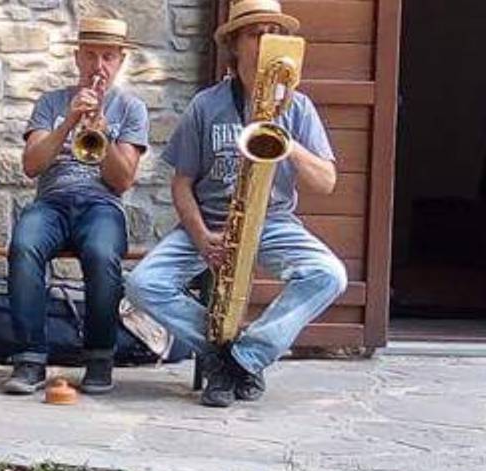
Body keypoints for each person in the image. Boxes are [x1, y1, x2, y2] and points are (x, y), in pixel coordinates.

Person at [124, 0, 347, 408]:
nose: (265, 41)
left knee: (329, 274)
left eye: (272, 33)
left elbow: (326, 181)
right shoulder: (205, 105)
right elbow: (181, 184)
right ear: (234, 44)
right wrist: (202, 236)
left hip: (272, 221)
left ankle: (245, 357)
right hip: (211, 223)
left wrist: (287, 143)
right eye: (254, 33)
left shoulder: (297, 107)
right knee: (142, 285)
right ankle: (221, 351)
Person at [3, 16, 149, 396]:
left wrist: (101, 134)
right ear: (77, 58)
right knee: (23, 246)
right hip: (51, 202)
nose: (98, 67)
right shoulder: (51, 102)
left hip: (101, 205)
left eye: (107, 57)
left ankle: (100, 356)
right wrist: (68, 121)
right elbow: (32, 165)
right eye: (90, 56)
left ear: (119, 61)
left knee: (102, 254)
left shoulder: (131, 109)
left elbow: (123, 180)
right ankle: (30, 357)